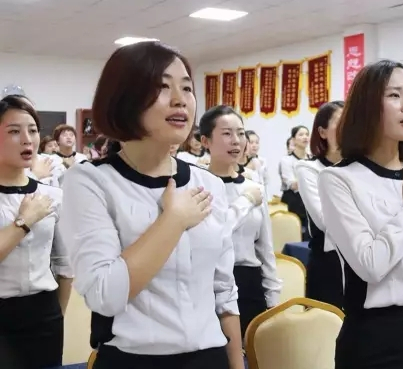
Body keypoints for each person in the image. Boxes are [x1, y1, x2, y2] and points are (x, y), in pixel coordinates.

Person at [59, 41, 243, 369]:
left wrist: (236, 363)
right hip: (133, 359)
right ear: (124, 98)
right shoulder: (89, 181)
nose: (180, 99)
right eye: (162, 87)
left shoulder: (208, 184)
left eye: (187, 88)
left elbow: (224, 291)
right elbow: (105, 294)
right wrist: (173, 220)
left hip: (210, 356)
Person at [318, 60, 403, 369]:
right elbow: (370, 265)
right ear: (367, 107)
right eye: (395, 95)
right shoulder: (339, 179)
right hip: (376, 338)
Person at [0, 95, 72, 369]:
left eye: (32, 130)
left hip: (44, 314)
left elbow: (65, 264)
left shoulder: (52, 195)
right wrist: (24, 222)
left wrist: (58, 315)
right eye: (14, 131)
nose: (27, 140)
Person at [200, 105, 281, 339]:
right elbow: (216, 232)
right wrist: (245, 202)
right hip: (208, 283)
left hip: (249, 282)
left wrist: (273, 299)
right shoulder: (198, 186)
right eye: (226, 133)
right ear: (205, 141)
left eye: (241, 133)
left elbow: (265, 249)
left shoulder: (254, 188)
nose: (236, 141)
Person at [295, 101, 344, 309]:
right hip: (328, 264)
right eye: (340, 122)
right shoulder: (309, 169)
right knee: (325, 325)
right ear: (322, 132)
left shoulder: (362, 168)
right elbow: (325, 221)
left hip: (362, 264)